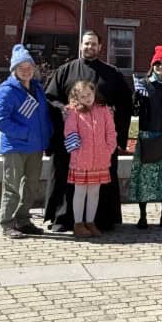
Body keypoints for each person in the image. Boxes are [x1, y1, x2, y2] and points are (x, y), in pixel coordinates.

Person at [44, 30, 133, 232]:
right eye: (86, 44)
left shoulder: (112, 73)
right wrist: (63, 109)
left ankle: (99, 220)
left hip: (99, 142)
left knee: (97, 185)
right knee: (67, 180)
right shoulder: (65, 71)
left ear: (100, 47)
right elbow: (50, 98)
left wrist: (114, 121)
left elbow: (126, 103)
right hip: (72, 142)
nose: (89, 47)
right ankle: (64, 219)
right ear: (80, 46)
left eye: (93, 44)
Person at [0, 44, 52, 238]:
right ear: (14, 70)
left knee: (31, 186)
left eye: (29, 67)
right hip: (15, 146)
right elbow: (0, 120)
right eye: (21, 67)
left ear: (34, 68)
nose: (26, 71)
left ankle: (23, 220)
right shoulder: (7, 90)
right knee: (12, 187)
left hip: (35, 147)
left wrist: (47, 136)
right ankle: (7, 223)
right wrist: (24, 133)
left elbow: (43, 116)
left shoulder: (37, 88)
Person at [129, 46, 162, 229]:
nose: (160, 66)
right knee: (145, 179)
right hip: (147, 134)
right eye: (157, 63)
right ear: (152, 64)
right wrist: (135, 99)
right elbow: (134, 110)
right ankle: (142, 216)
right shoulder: (143, 84)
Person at [63, 80, 117, 237]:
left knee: (94, 192)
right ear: (76, 97)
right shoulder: (73, 112)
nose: (87, 98)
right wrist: (77, 152)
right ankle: (78, 224)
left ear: (94, 93)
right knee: (80, 192)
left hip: (100, 159)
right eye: (83, 96)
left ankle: (90, 222)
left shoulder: (104, 110)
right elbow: (70, 132)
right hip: (81, 160)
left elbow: (111, 132)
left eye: (89, 94)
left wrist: (109, 149)